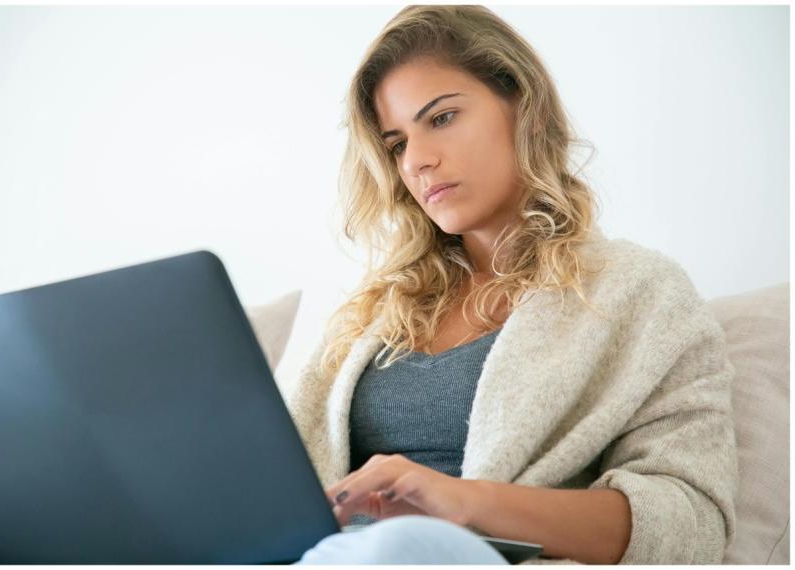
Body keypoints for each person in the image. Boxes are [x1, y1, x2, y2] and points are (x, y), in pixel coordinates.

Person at [284, 4, 739, 565]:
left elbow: (691, 523)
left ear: (525, 109)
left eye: (442, 118)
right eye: (397, 144)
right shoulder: (370, 315)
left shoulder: (639, 292)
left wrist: (464, 503)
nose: (419, 161)